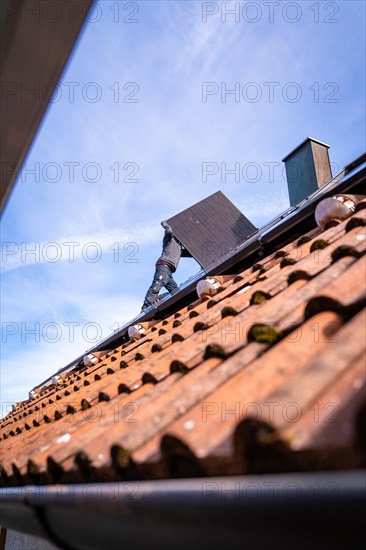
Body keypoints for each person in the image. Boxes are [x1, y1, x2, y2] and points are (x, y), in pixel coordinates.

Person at [141, 221, 189, 310]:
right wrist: (166, 224)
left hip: (169, 272)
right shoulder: (169, 240)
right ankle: (146, 307)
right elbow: (169, 231)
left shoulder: (179, 248)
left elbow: (190, 252)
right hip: (163, 266)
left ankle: (159, 298)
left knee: (176, 291)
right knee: (156, 285)